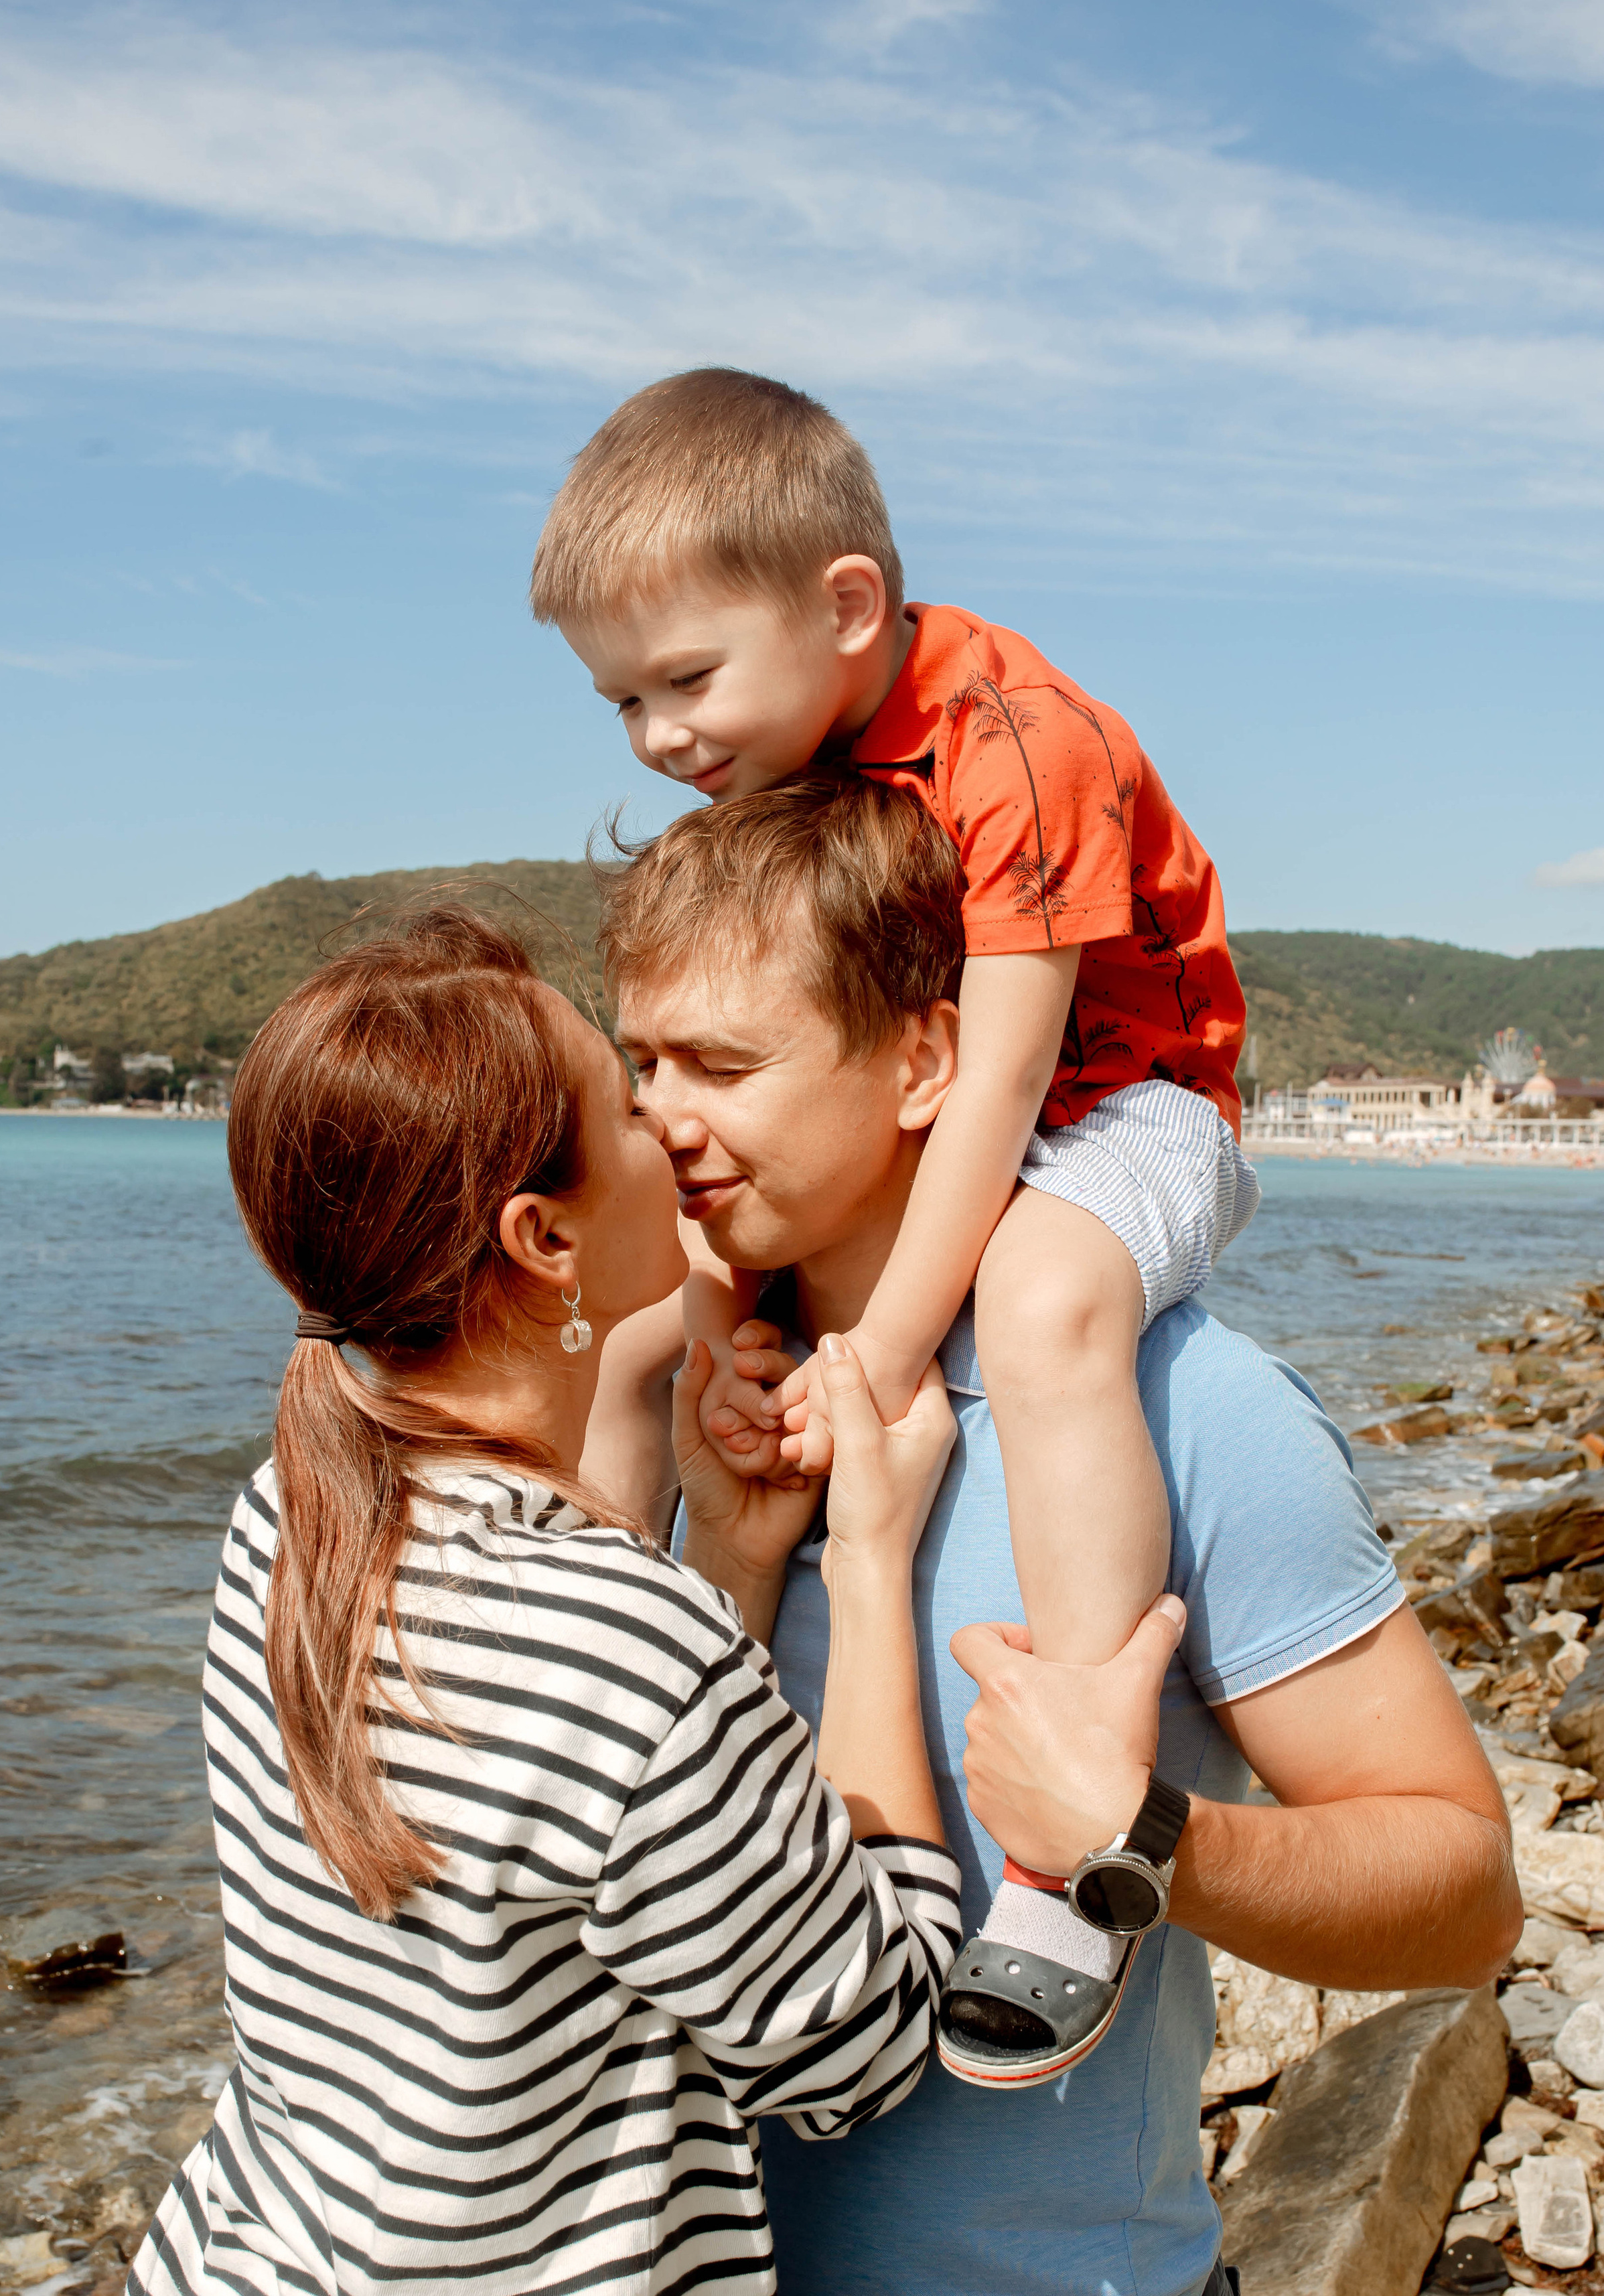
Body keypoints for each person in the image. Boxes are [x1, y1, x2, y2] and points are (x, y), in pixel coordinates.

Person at [595, 776, 1522, 2296]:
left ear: (930, 1060)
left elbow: (1465, 1894)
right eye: (640, 1067)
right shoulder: (680, 1407)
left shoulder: (1186, 1413)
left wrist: (1146, 1838)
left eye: (721, 1064)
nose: (663, 1123)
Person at [47, 904, 964, 2296]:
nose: (670, 1120)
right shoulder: (615, 1641)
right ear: (544, 1243)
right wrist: (877, 1568)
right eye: (625, 1100)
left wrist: (733, 1557)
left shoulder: (294, 1515)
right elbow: (867, 2040)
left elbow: (570, 1838)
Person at [532, 365, 1256, 2086]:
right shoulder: (795, 750)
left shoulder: (1014, 740)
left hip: (1132, 1098)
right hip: (948, 1105)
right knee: (675, 1301)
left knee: (1048, 1297)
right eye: (619, 701)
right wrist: (730, 1329)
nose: (657, 739)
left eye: (684, 680)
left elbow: (995, 1086)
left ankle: (1070, 1842)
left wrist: (867, 1351)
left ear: (845, 605)